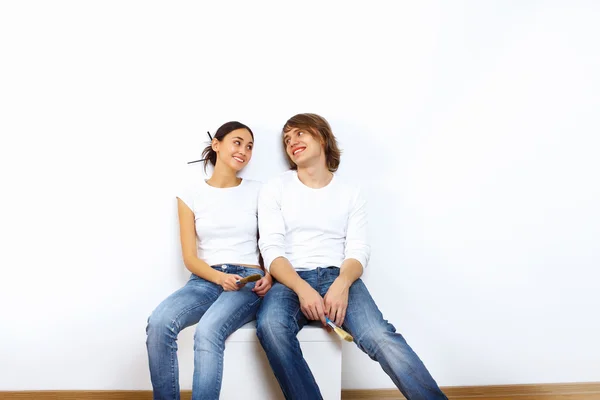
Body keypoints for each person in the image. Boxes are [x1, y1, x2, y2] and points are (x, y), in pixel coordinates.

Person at [256, 113, 447, 400]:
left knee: (378, 336)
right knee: (270, 327)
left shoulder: (350, 192)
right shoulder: (275, 188)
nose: (292, 142)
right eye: (287, 139)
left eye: (300, 133)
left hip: (338, 275)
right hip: (289, 280)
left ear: (321, 136)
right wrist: (302, 289)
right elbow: (271, 250)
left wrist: (342, 284)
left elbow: (358, 250)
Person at [146, 121, 272, 400]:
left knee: (208, 331)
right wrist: (218, 278)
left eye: (249, 147)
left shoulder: (260, 191)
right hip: (204, 279)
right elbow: (190, 257)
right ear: (217, 144)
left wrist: (270, 275)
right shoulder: (189, 194)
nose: (244, 151)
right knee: (159, 323)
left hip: (245, 281)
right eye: (237, 142)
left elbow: (271, 243)